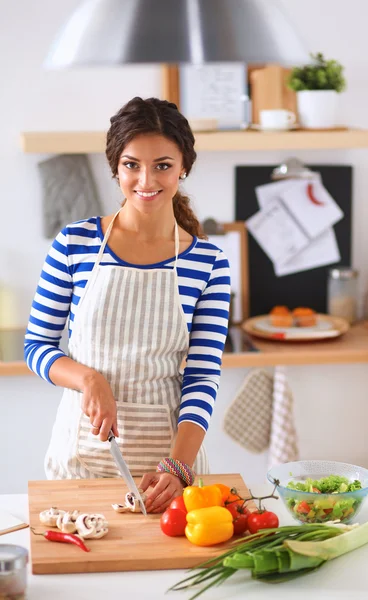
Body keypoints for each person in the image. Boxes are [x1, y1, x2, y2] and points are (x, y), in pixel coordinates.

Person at [24, 97, 231, 514]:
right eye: (132, 165)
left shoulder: (208, 263)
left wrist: (178, 466)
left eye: (163, 165)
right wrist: (88, 379)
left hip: (169, 466)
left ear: (184, 167)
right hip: (79, 460)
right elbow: (36, 346)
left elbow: (202, 376)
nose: (146, 179)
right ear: (115, 168)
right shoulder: (74, 244)